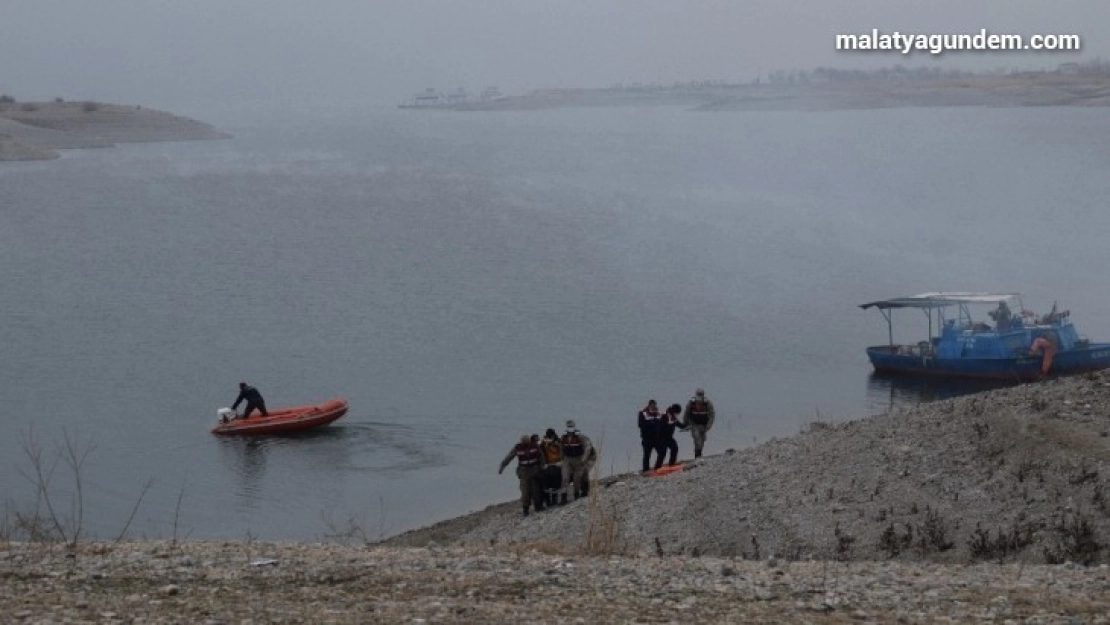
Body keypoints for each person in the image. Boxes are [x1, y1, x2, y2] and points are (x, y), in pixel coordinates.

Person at [499, 433, 546, 517]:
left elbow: (541, 456)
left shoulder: (534, 446)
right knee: (525, 490)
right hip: (524, 471)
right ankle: (525, 508)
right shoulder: (518, 447)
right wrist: (502, 466)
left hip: (534, 470)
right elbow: (509, 457)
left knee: (535, 489)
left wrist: (543, 466)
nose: (525, 444)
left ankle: (538, 506)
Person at [560, 419, 593, 503]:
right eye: (568, 427)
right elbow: (561, 448)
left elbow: (587, 447)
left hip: (579, 459)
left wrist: (584, 458)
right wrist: (561, 458)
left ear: (574, 427)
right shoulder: (564, 437)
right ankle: (563, 497)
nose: (570, 429)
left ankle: (576, 494)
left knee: (577, 478)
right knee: (565, 478)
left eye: (571, 426)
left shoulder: (580, 436)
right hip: (567, 459)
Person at [684, 388, 715, 458]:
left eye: (700, 398)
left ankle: (699, 454)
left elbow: (712, 415)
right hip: (694, 425)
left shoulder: (708, 403)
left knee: (702, 440)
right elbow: (686, 414)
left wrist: (708, 426)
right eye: (698, 398)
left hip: (704, 425)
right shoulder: (691, 403)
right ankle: (697, 456)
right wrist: (685, 424)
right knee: (697, 439)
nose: (699, 402)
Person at [539, 428, 565, 507]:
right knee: (545, 483)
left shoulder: (559, 442)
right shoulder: (543, 443)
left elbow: (563, 451)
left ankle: (554, 498)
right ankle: (548, 500)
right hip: (547, 464)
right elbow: (540, 452)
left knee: (556, 481)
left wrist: (561, 461)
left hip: (558, 464)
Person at [637, 399, 663, 473]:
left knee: (661, 452)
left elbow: (661, 424)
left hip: (656, 438)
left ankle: (657, 467)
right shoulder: (642, 413)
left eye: (654, 405)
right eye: (652, 405)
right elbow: (640, 424)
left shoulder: (658, 413)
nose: (653, 407)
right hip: (647, 438)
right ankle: (646, 470)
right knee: (647, 455)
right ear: (649, 405)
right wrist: (652, 424)